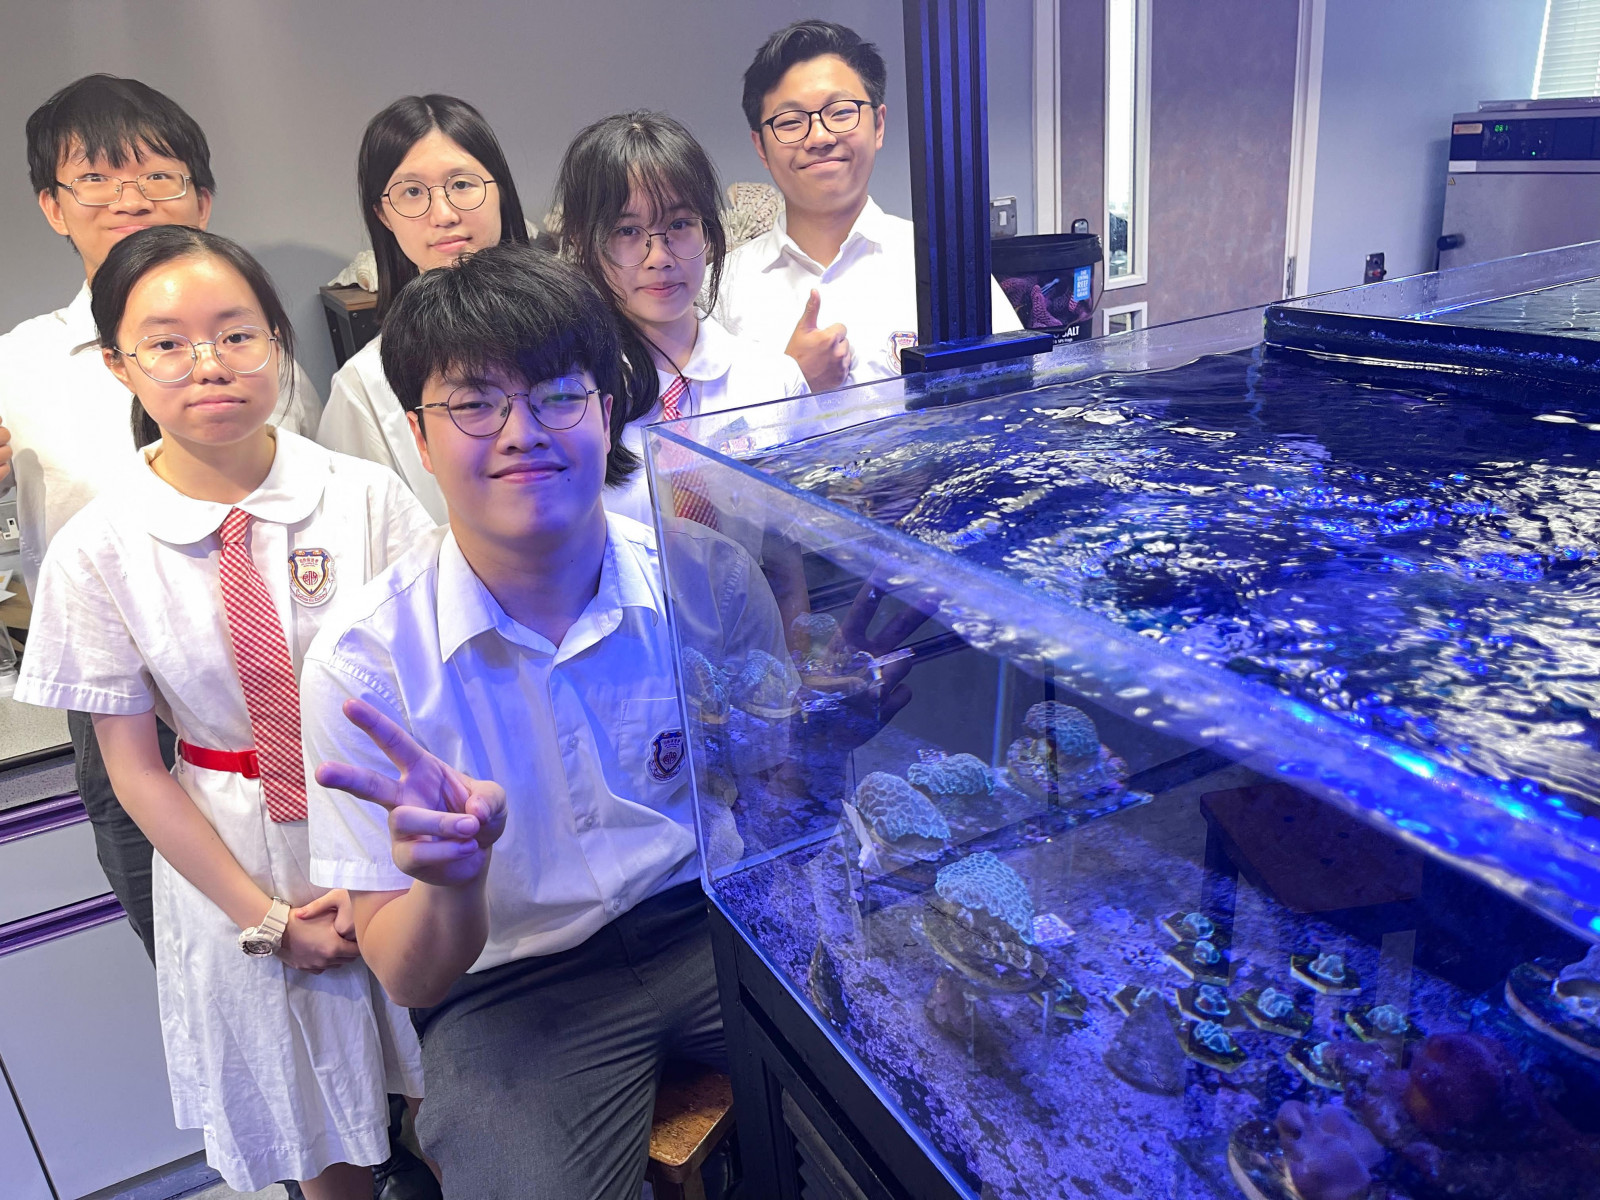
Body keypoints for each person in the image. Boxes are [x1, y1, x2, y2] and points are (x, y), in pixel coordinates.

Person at [301, 243, 793, 1199]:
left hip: (712, 924)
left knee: (887, 1090)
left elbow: (775, 804)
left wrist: (831, 729)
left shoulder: (707, 580)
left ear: (604, 411)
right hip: (511, 992)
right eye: (476, 403)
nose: (522, 431)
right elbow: (411, 979)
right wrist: (450, 882)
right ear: (417, 434)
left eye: (558, 394)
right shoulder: (365, 666)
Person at [14, 226, 431, 1198]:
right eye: (166, 343)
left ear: (278, 341)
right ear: (120, 365)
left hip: (385, 838)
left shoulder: (364, 499)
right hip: (233, 860)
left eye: (236, 333)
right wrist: (271, 918)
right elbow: (133, 771)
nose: (208, 364)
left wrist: (397, 874)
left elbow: (434, 698)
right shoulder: (99, 550)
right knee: (320, 1138)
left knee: (451, 1099)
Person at [0, 73, 319, 963]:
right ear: (52, 206)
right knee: (194, 938)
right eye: (96, 179)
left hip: (285, 666)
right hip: (124, 697)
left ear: (203, 198)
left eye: (160, 176)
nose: (131, 199)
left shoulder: (265, 343)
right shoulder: (17, 365)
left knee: (346, 917)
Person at [718, 20, 1024, 391]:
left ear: (878, 125)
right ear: (760, 147)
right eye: (790, 121)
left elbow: (1012, 403)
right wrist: (791, 382)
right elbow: (692, 435)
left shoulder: (947, 267)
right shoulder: (720, 289)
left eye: (841, 112)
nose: (819, 136)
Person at [552, 110, 806, 525]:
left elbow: (785, 553)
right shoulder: (566, 397)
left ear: (708, 230)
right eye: (627, 231)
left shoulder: (773, 381)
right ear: (585, 244)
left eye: (679, 224)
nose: (660, 257)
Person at [316, 94, 531, 524]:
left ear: (500, 191)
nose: (444, 213)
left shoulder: (574, 330)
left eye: (462, 184)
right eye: (412, 192)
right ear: (383, 214)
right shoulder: (364, 387)